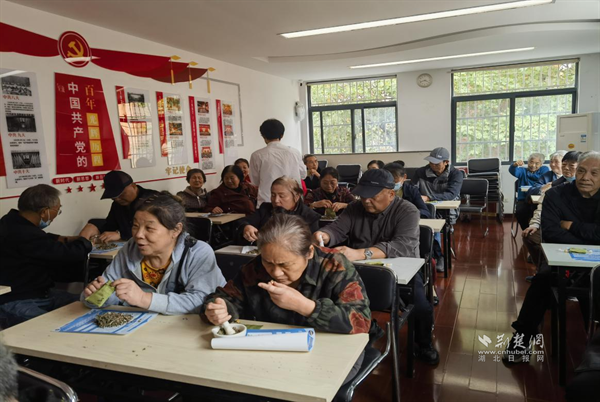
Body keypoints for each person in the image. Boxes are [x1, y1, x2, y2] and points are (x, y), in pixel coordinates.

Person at [202, 214, 371, 384]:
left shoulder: (335, 265)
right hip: (274, 350)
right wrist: (219, 309)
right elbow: (223, 298)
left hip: (330, 351)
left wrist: (304, 306)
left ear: (309, 252)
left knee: (310, 384)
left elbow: (361, 321)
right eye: (268, 263)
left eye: (285, 265)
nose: (275, 273)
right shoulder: (255, 268)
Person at [313, 169, 439, 365]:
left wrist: (361, 253)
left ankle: (424, 343)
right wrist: (325, 235)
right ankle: (360, 330)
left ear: (391, 193)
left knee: (421, 307)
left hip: (401, 272)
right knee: (323, 296)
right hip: (359, 271)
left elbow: (402, 245)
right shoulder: (355, 208)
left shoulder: (407, 210)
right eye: (362, 195)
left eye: (372, 196)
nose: (366, 200)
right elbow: (337, 228)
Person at [505, 151, 600, 362]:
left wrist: (572, 226)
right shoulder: (556, 195)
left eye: (594, 173)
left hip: (596, 265)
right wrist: (591, 240)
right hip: (563, 258)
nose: (585, 177)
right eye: (581, 171)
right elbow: (551, 233)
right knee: (542, 281)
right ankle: (522, 338)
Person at [83, 192, 226, 314]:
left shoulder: (197, 253)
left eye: (149, 228)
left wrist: (143, 298)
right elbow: (108, 289)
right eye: (135, 226)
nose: (138, 235)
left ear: (176, 230)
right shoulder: (130, 249)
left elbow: (202, 301)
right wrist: (96, 296)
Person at [0, 185, 92, 328]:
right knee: (52, 329)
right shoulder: (25, 234)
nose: (57, 214)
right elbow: (69, 254)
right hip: (18, 299)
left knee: (91, 305)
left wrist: (64, 238)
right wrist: (85, 240)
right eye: (57, 210)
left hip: (43, 293)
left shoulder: (10, 221)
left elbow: (42, 240)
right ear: (44, 212)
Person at [522, 151, 580, 271]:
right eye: (564, 165)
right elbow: (542, 206)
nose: (566, 168)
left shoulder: (587, 186)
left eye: (571, 165)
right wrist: (535, 224)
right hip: (556, 226)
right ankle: (543, 270)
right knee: (530, 235)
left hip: (577, 229)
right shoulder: (554, 185)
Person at [412, 147, 463, 272]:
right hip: (425, 207)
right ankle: (424, 256)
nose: (433, 165)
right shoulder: (421, 172)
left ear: (446, 162)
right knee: (418, 223)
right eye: (431, 162)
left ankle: (438, 256)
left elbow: (451, 194)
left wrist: (429, 197)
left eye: (436, 163)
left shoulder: (456, 174)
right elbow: (412, 189)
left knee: (433, 226)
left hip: (447, 210)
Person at [79, 170, 158, 241]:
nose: (117, 199)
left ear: (133, 186)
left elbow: (155, 229)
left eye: (122, 194)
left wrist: (121, 235)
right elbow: (110, 226)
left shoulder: (154, 200)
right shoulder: (117, 205)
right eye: (113, 197)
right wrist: (95, 227)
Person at [241, 176, 321, 242]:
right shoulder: (265, 209)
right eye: (273, 195)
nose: (276, 200)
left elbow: (311, 245)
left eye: (281, 196)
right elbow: (243, 222)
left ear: (296, 197)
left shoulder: (310, 216)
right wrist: (246, 227)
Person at [250, 119, 306, 206]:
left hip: (268, 201)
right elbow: (303, 174)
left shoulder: (257, 155)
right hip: (292, 201)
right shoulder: (294, 152)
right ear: (282, 135)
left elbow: (255, 182)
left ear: (263, 136)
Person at [509, 153, 550, 230]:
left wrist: (530, 175)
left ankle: (537, 230)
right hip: (524, 199)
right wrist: (515, 165)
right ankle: (526, 230)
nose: (533, 165)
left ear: (541, 164)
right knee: (520, 212)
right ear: (528, 162)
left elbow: (542, 178)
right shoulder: (523, 171)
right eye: (531, 162)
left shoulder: (544, 169)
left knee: (541, 211)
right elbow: (512, 171)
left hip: (539, 198)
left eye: (537, 163)